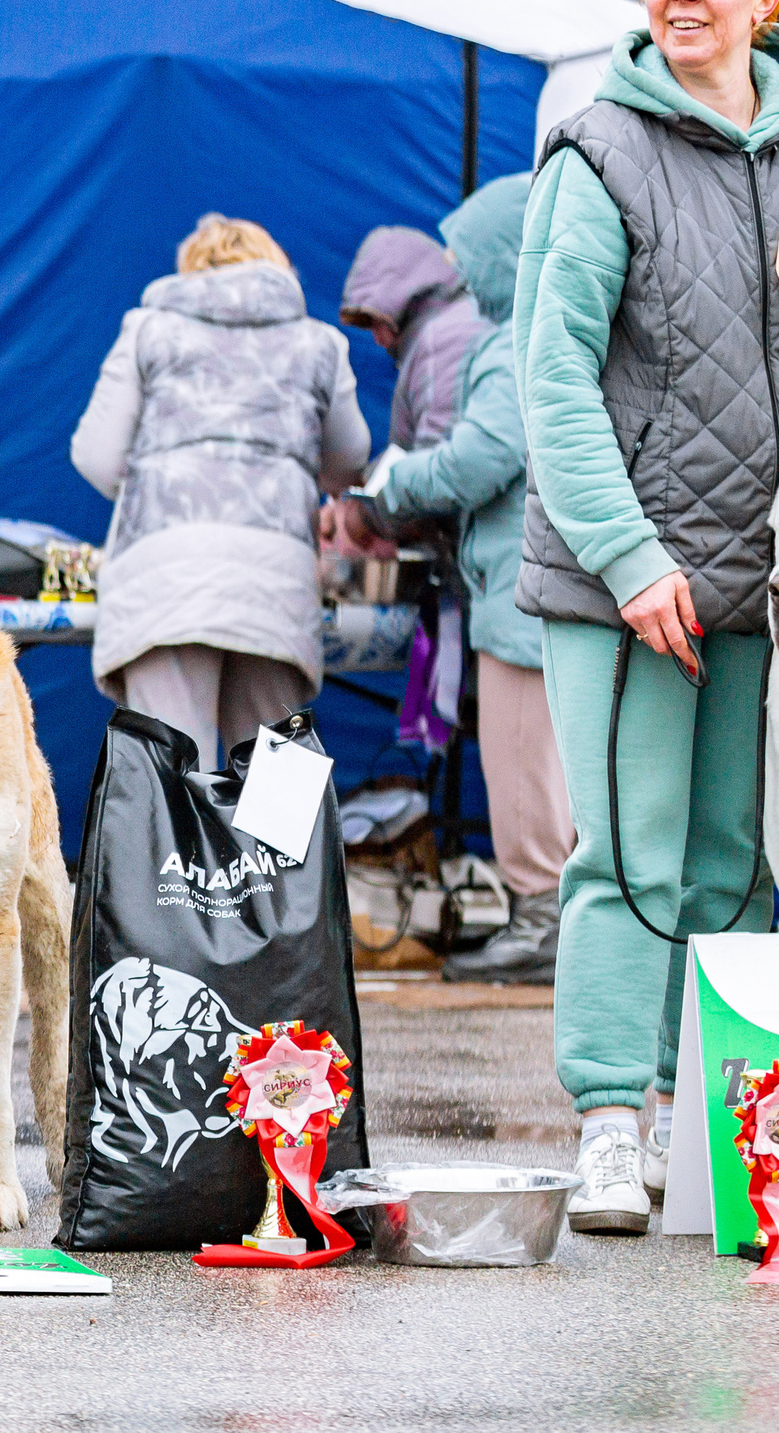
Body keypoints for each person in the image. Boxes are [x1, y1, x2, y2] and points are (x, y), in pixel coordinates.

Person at [516, 0, 779, 1235]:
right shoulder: (601, 151)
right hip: (624, 580)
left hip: (760, 578)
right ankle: (611, 1124)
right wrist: (628, 558)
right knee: (630, 855)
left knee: (736, 865)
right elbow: (551, 373)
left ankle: (720, 1132)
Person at [326, 175, 569, 986]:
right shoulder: (543, 332)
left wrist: (392, 485)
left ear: (504, 256)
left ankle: (540, 923)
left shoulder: (510, 344)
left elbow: (483, 455)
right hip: (538, 582)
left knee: (522, 761)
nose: (459, 273)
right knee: (544, 767)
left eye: (470, 258)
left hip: (520, 592)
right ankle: (550, 918)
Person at [71, 214, 371, 772]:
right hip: (276, 582)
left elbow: (97, 457)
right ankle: (279, 839)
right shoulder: (320, 343)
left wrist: (155, 483)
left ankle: (176, 837)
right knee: (277, 781)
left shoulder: (148, 329)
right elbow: (348, 463)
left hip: (165, 577)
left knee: (170, 782)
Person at [340, 223, 490, 448]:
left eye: (377, 323)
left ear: (401, 301)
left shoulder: (442, 339)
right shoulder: (453, 324)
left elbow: (439, 447)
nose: (377, 340)